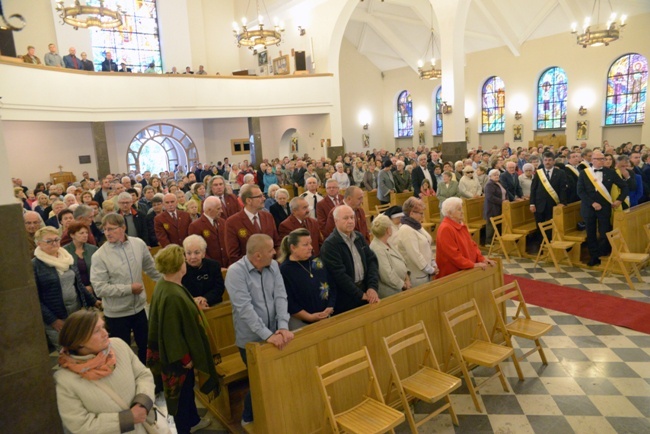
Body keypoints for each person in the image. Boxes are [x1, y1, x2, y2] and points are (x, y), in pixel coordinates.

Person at [147, 245, 220, 434]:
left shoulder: (167, 285)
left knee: (187, 392)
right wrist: (185, 359)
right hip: (179, 359)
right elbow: (172, 331)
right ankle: (184, 429)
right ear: (180, 266)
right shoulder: (172, 293)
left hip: (177, 356)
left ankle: (193, 420)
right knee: (182, 395)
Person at [225, 234, 294, 425]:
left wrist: (282, 327)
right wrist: (267, 335)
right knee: (260, 381)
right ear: (257, 256)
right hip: (251, 339)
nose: (275, 252)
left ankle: (274, 414)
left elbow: (281, 296)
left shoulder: (272, 266)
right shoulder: (235, 272)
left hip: (275, 332)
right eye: (271, 250)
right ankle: (248, 418)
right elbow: (245, 310)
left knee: (277, 377)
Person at [54, 310, 155, 434]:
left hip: (146, 428)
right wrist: (128, 418)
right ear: (79, 341)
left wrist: (142, 404)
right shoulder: (65, 380)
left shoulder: (118, 346)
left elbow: (142, 374)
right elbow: (80, 425)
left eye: (103, 327)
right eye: (97, 331)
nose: (105, 333)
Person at [91, 213, 161, 364]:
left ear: (123, 227)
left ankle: (148, 378)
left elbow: (151, 269)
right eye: (105, 229)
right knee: (122, 353)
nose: (107, 233)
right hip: (117, 314)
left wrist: (170, 281)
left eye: (111, 229)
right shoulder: (100, 255)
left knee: (146, 347)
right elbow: (100, 288)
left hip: (139, 308)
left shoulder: (138, 244)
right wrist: (129, 289)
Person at [33, 227, 99, 349]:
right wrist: (52, 320)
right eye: (49, 241)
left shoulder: (67, 258)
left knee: (81, 348)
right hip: (56, 317)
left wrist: (94, 301)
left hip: (75, 311)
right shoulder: (35, 265)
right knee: (65, 351)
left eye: (56, 239)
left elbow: (78, 285)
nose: (54, 243)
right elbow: (34, 298)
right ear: (39, 244)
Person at [321, 205, 380, 314]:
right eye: (346, 218)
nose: (350, 221)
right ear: (336, 221)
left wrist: (372, 287)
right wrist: (361, 295)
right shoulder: (330, 245)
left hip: (366, 290)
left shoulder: (359, 237)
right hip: (346, 299)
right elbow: (339, 275)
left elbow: (371, 261)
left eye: (352, 217)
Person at [578, 150, 629, 266]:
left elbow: (624, 187)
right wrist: (592, 203)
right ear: (592, 160)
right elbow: (580, 192)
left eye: (603, 159)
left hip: (604, 208)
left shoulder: (610, 172)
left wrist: (619, 200)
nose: (602, 161)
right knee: (590, 233)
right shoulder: (584, 173)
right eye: (599, 159)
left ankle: (601, 255)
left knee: (604, 232)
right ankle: (593, 257)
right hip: (588, 207)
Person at [279, 228, 335, 330]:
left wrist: (330, 306)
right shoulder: (285, 270)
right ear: (293, 247)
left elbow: (331, 284)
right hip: (302, 323)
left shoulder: (316, 261)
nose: (311, 247)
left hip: (326, 317)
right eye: (305, 245)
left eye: (310, 243)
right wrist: (309, 317)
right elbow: (289, 302)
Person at [436, 197, 495, 278]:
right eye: (459, 209)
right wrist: (472, 264)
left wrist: (481, 258)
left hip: (465, 269)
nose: (462, 212)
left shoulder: (461, 224)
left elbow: (472, 245)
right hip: (453, 274)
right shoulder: (445, 228)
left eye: (462, 208)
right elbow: (453, 255)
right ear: (450, 213)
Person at [225, 184, 280, 264]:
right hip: (247, 271)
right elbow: (233, 255)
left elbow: (276, 243)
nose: (264, 198)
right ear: (248, 201)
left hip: (270, 267)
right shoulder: (232, 222)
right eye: (260, 196)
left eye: (263, 195)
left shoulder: (268, 216)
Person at [394, 197, 437, 287]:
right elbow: (415, 255)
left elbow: (428, 244)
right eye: (421, 213)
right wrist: (431, 270)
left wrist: (433, 263)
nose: (423, 216)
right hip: (417, 276)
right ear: (412, 213)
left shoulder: (416, 225)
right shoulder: (406, 229)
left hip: (426, 272)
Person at [369, 214, 410, 298]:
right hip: (392, 292)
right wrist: (403, 285)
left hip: (402, 286)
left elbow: (401, 260)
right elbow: (387, 275)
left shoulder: (387, 242)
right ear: (388, 230)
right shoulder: (377, 248)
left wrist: (407, 278)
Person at [181, 235, 226, 309]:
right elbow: (181, 292)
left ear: (203, 253)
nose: (193, 257)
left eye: (197, 253)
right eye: (189, 253)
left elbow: (219, 288)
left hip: (214, 305)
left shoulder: (214, 265)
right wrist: (195, 301)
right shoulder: (181, 270)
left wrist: (205, 299)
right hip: (191, 308)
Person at [530, 152, 568, 230]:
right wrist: (532, 203)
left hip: (553, 204)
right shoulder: (538, 173)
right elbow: (533, 189)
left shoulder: (560, 173)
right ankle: (541, 241)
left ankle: (550, 241)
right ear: (543, 161)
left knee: (552, 226)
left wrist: (562, 202)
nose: (547, 162)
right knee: (539, 225)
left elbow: (563, 189)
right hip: (539, 204)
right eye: (545, 160)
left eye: (550, 160)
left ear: (554, 161)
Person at [188, 196, 230, 267]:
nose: (221, 211)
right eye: (218, 209)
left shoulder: (223, 222)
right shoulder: (195, 226)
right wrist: (213, 266)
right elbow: (197, 250)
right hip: (209, 268)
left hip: (227, 265)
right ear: (209, 210)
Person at [63, 222, 99, 295]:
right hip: (74, 291)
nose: (85, 235)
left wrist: (91, 286)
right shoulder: (64, 251)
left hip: (94, 289)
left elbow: (99, 270)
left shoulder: (93, 249)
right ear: (72, 235)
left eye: (86, 233)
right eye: (81, 233)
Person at [484, 169, 508, 245]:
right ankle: (488, 242)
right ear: (490, 176)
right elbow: (490, 197)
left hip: (501, 206)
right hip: (492, 207)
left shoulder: (500, 183)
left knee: (498, 224)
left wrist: (506, 200)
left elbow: (505, 192)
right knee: (491, 225)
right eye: (494, 175)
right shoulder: (489, 185)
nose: (496, 176)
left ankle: (497, 240)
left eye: (497, 175)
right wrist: (502, 201)